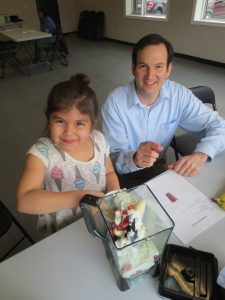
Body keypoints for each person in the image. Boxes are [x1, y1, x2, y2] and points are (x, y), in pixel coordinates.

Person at [101, 33, 225, 189]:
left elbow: (220, 126)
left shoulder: (178, 95)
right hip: (124, 174)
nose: (150, 76)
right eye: (143, 66)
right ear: (133, 68)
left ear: (168, 70)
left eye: (158, 67)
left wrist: (200, 155)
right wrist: (135, 159)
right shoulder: (114, 104)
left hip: (158, 164)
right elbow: (112, 161)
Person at [17, 74, 120, 235]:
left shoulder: (99, 141)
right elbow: (24, 201)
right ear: (48, 119)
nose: (68, 132)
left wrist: (115, 197)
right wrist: (80, 198)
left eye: (79, 123)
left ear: (92, 123)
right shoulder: (42, 153)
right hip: (62, 232)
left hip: (99, 221)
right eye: (59, 121)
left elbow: (109, 172)